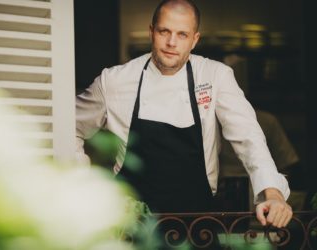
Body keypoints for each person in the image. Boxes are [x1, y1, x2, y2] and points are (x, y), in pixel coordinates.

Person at [76, 0, 292, 229]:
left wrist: (273, 193)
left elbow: (249, 137)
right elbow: (67, 127)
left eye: (182, 35)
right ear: (152, 32)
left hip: (197, 226)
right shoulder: (114, 81)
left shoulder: (215, 76)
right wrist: (82, 182)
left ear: (195, 40)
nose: (171, 43)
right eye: (164, 32)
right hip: (132, 226)